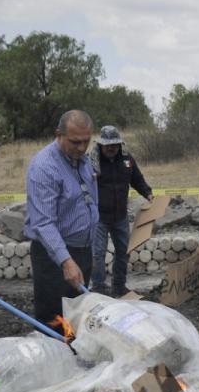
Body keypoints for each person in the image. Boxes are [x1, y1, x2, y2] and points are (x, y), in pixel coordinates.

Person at [25, 110, 98, 325]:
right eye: (75, 142)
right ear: (59, 134)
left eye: (86, 141)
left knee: (79, 317)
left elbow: (90, 201)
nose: (82, 148)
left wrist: (89, 248)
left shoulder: (83, 160)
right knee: (56, 321)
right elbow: (43, 222)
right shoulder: (44, 167)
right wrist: (66, 261)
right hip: (54, 257)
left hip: (81, 250)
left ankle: (75, 357)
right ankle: (55, 355)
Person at [90, 125, 154, 297]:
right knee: (98, 254)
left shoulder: (127, 160)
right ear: (101, 145)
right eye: (108, 145)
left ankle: (119, 287)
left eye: (114, 145)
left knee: (123, 252)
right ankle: (98, 290)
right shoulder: (90, 162)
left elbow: (137, 180)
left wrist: (147, 193)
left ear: (119, 144)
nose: (111, 148)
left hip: (120, 216)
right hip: (98, 217)